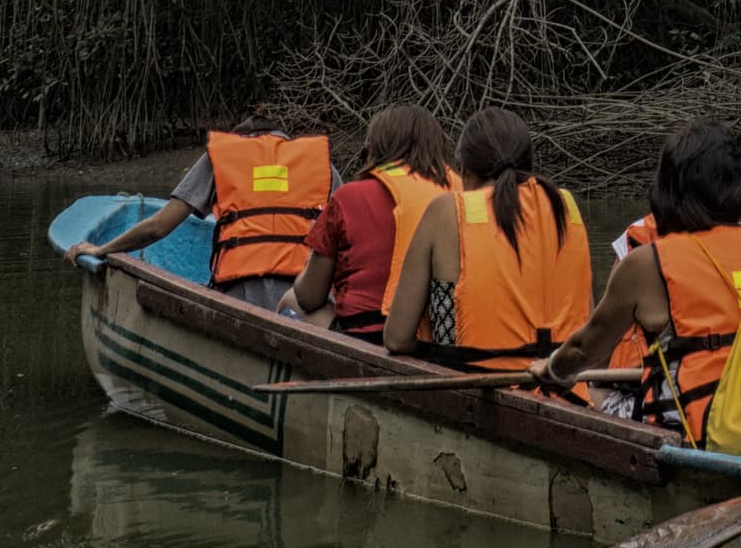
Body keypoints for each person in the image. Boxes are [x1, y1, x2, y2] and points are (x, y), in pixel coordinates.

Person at [541, 122, 741, 452]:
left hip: (702, 438)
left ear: (667, 190)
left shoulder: (648, 262)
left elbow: (584, 350)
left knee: (595, 387)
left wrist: (551, 369)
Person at [385, 108, 596, 370]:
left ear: (466, 170)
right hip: (561, 385)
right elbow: (589, 329)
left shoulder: (445, 211)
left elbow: (397, 338)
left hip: (470, 382)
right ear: (529, 164)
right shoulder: (565, 207)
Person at [69, 112, 333, 313]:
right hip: (303, 298)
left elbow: (158, 227)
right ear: (284, 139)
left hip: (241, 295)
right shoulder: (319, 164)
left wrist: (102, 249)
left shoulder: (224, 156)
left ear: (240, 138)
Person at [296, 104, 455, 339]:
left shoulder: (348, 197)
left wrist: (313, 251)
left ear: (375, 146)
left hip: (364, 336)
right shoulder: (460, 196)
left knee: (290, 300)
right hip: (437, 338)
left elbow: (309, 296)